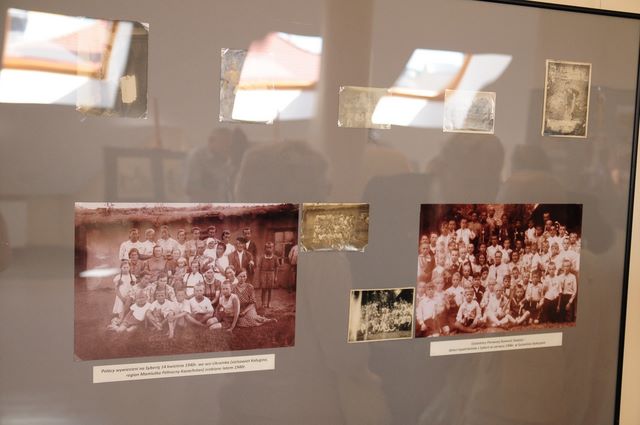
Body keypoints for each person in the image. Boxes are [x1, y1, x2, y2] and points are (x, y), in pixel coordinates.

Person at [256, 241, 278, 308]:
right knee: (263, 289)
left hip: (271, 274)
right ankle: (263, 303)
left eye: (270, 247)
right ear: (265, 249)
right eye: (267, 248)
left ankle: (269, 302)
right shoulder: (262, 257)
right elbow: (259, 268)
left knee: (270, 289)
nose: (269, 249)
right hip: (263, 274)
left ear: (272, 248)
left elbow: (276, 267)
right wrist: (259, 277)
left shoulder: (275, 257)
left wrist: (276, 276)